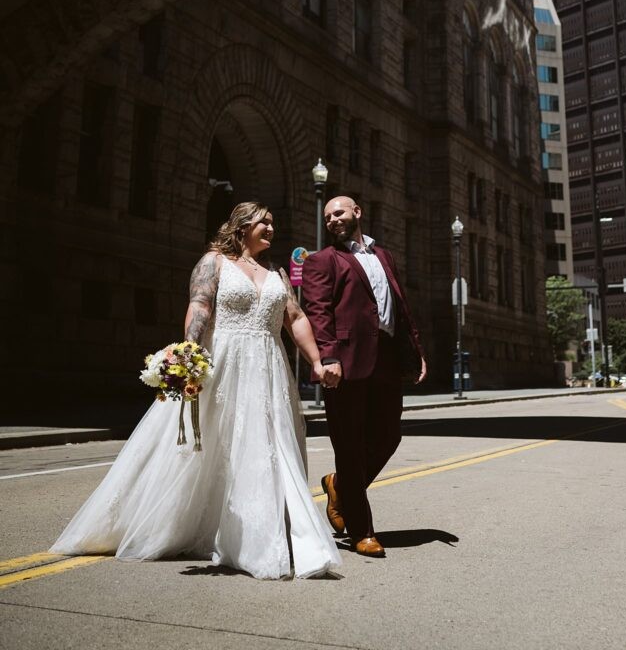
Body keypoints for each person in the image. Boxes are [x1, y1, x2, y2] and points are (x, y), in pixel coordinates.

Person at [52, 202, 341, 580]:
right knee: (210, 444)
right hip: (223, 360)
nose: (271, 228)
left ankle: (259, 534)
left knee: (265, 446)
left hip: (268, 367)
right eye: (263, 222)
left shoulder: (277, 273)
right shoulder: (214, 262)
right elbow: (200, 306)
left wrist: (317, 362)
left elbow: (295, 318)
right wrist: (189, 351)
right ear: (241, 226)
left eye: (273, 222)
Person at [302, 195, 427, 558]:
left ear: (357, 212)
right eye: (327, 217)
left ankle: (338, 485)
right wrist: (328, 357)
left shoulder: (383, 256)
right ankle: (362, 531)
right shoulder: (321, 261)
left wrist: (415, 351)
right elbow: (318, 311)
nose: (333, 220)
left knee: (388, 435)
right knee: (350, 446)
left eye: (338, 212)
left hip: (385, 359)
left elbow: (399, 307)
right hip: (344, 363)